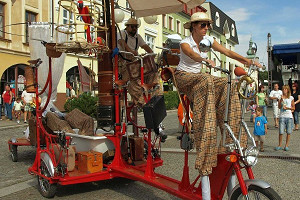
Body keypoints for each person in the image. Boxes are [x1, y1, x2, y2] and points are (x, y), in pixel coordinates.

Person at [174, 12, 261, 200]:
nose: (206, 28)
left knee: (226, 83)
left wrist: (248, 61)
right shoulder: (185, 42)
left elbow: (227, 52)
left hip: (201, 78)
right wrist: (203, 60)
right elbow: (189, 54)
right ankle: (206, 126)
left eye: (207, 24)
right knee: (206, 79)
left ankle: (230, 130)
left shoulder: (209, 40)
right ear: (194, 26)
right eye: (203, 25)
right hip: (184, 78)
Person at [276, 85, 295, 151]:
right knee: (281, 132)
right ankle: (279, 145)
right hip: (282, 116)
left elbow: (293, 108)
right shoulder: (280, 97)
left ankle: (286, 145)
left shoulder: (291, 98)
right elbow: (278, 107)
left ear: (288, 90)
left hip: (289, 116)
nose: (284, 90)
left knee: (288, 132)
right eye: (283, 89)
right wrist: (280, 100)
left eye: (285, 89)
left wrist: (287, 108)